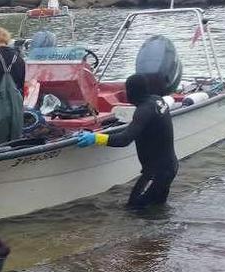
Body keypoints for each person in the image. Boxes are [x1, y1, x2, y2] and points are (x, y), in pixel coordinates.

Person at [77, 74, 179, 209]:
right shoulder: (157, 101)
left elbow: (124, 139)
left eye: (127, 90)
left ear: (132, 92)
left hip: (156, 173)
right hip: (168, 167)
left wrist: (96, 138)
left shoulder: (143, 111)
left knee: (133, 209)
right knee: (157, 208)